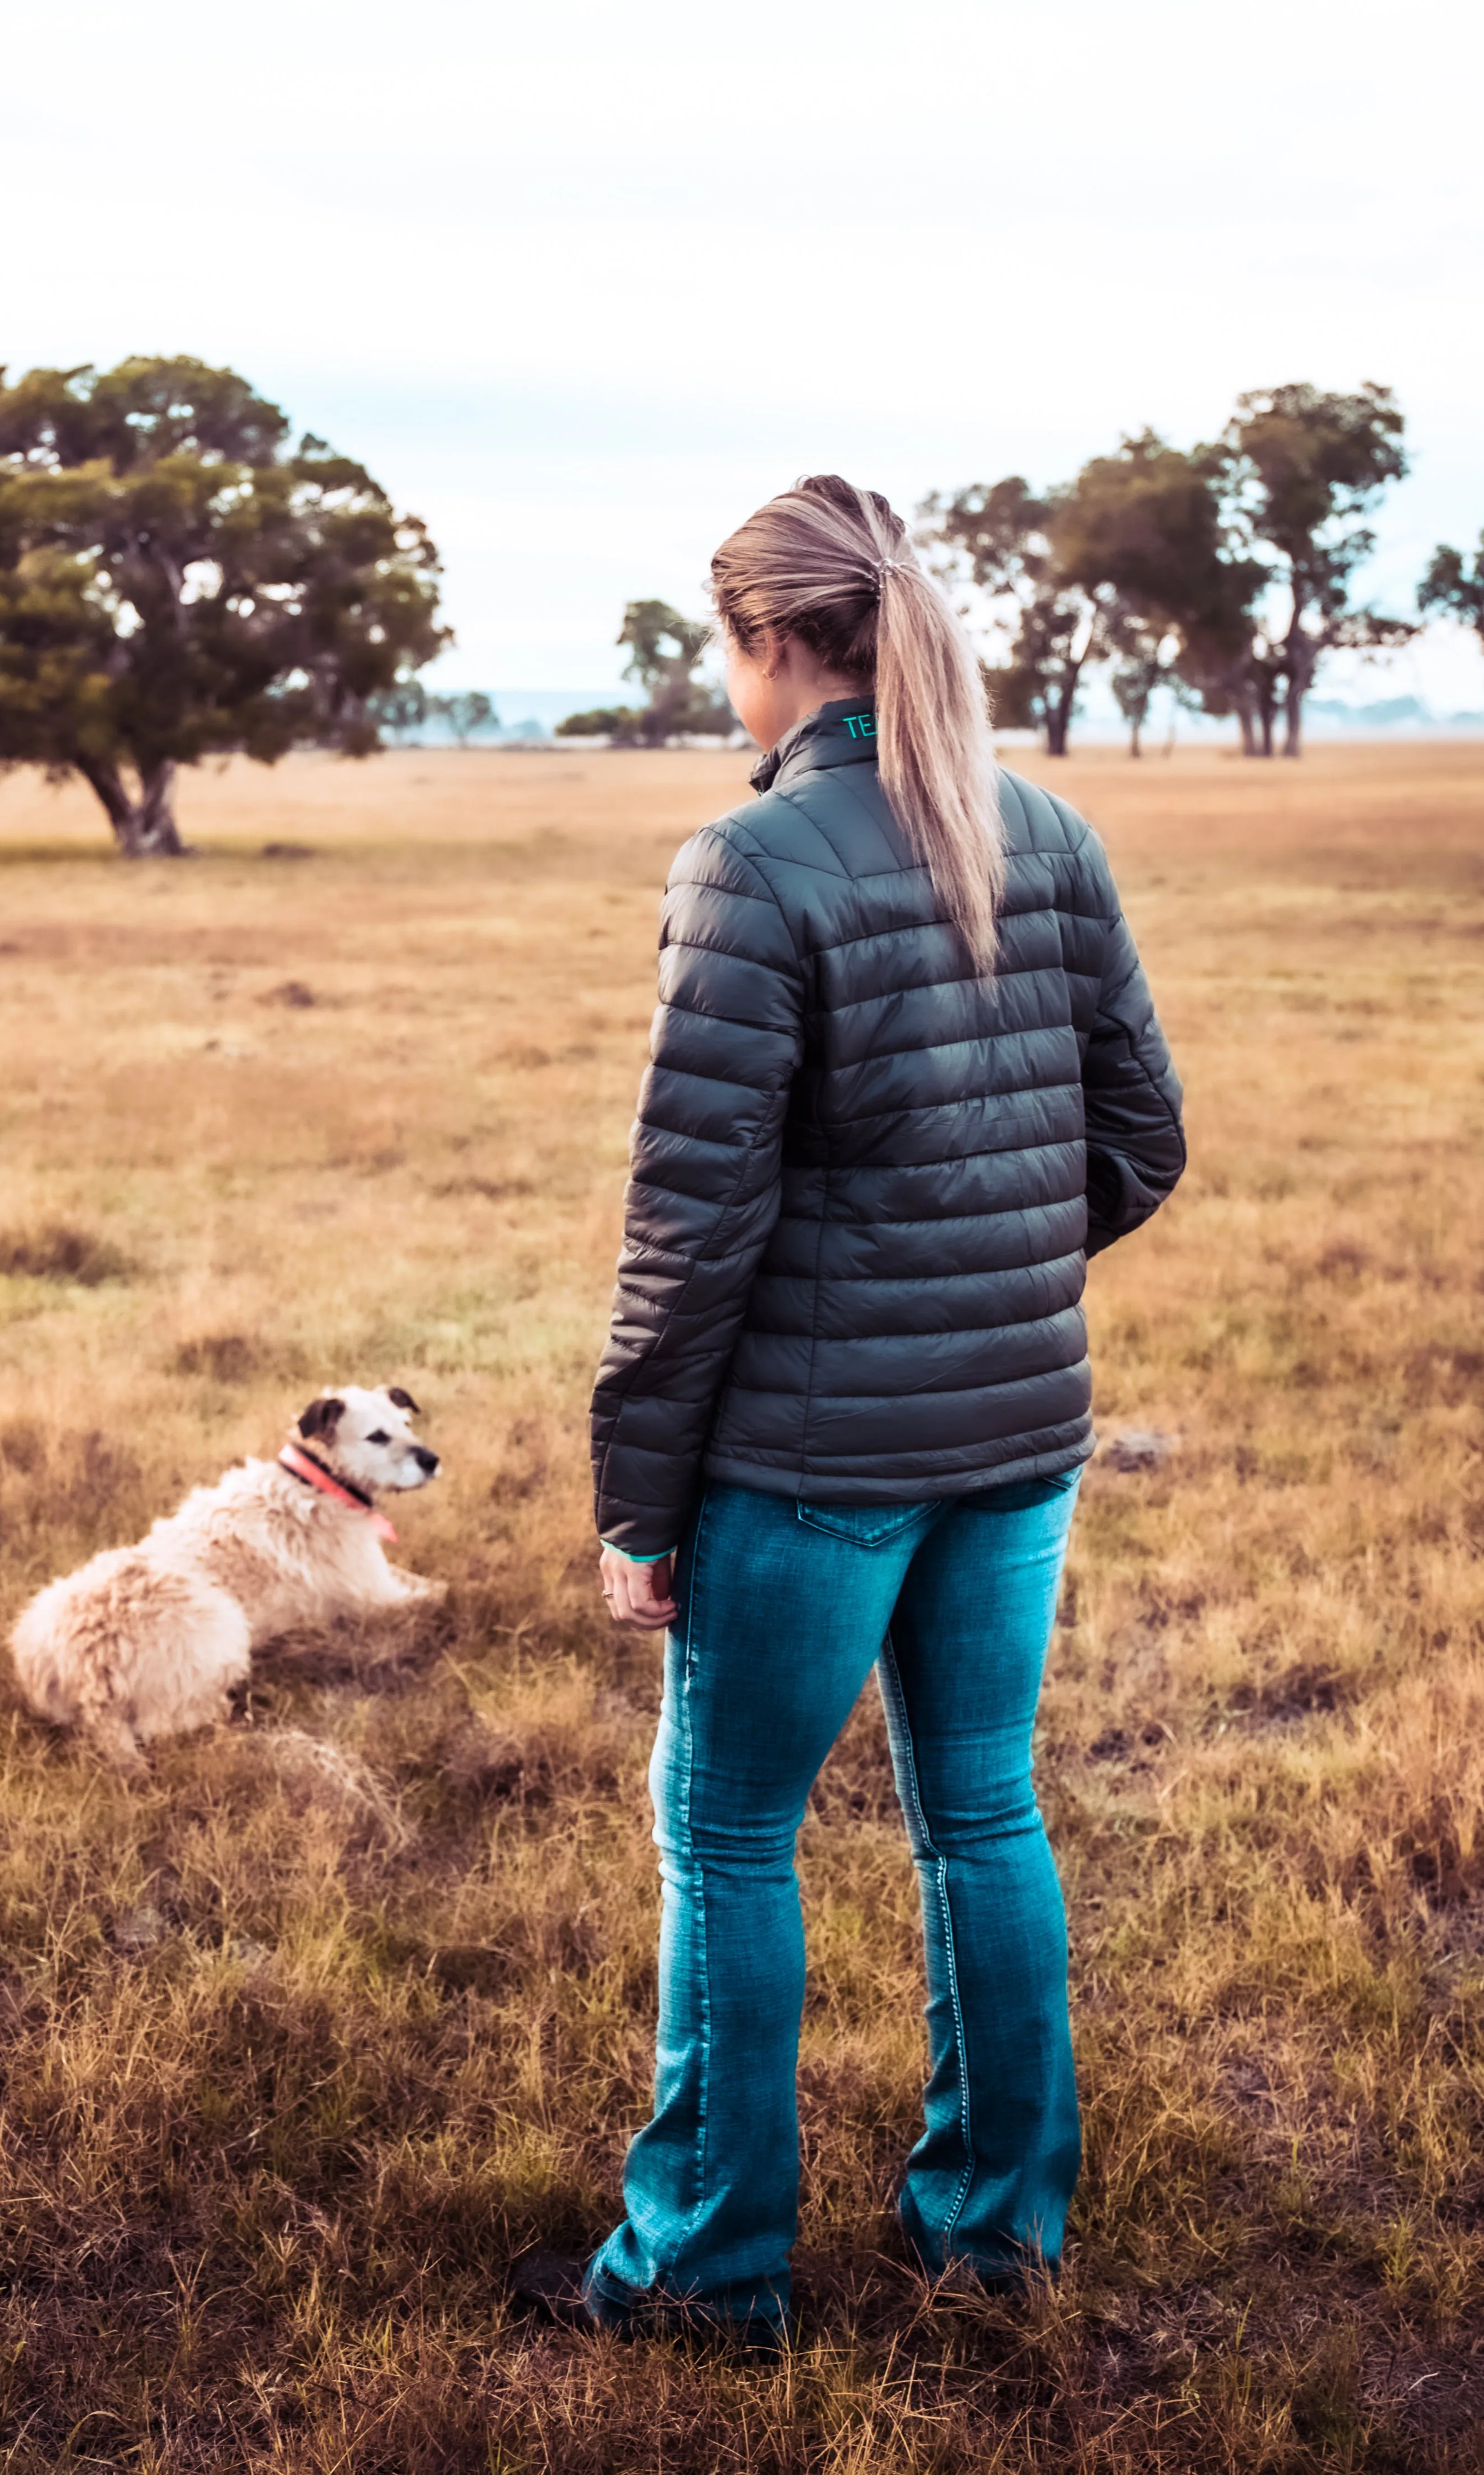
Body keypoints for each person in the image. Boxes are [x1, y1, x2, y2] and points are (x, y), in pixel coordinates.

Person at [510, 473, 1185, 2351]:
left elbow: (691, 1226)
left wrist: (638, 1504)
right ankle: (996, 2238)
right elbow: (1142, 1144)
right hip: (1017, 1438)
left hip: (811, 1464)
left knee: (729, 1834)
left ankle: (707, 2270)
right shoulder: (1042, 824)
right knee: (983, 1811)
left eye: (727, 651)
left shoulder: (756, 861)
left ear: (773, 644)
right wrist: (978, 1290)